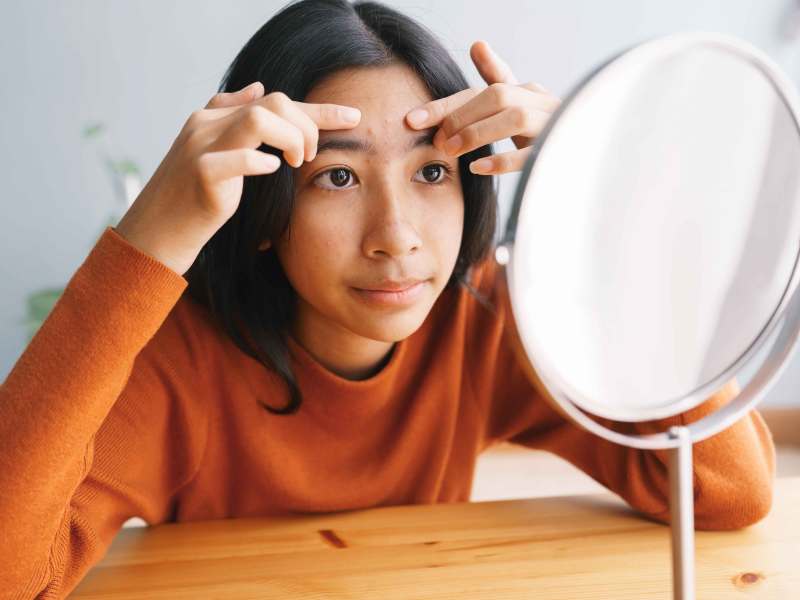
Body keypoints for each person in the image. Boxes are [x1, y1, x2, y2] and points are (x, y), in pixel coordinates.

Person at [0, 0, 776, 597]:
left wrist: (596, 215)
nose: (396, 236)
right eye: (337, 177)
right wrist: (147, 241)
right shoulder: (182, 360)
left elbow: (728, 491)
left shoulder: (489, 317)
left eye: (431, 171)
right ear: (262, 207)